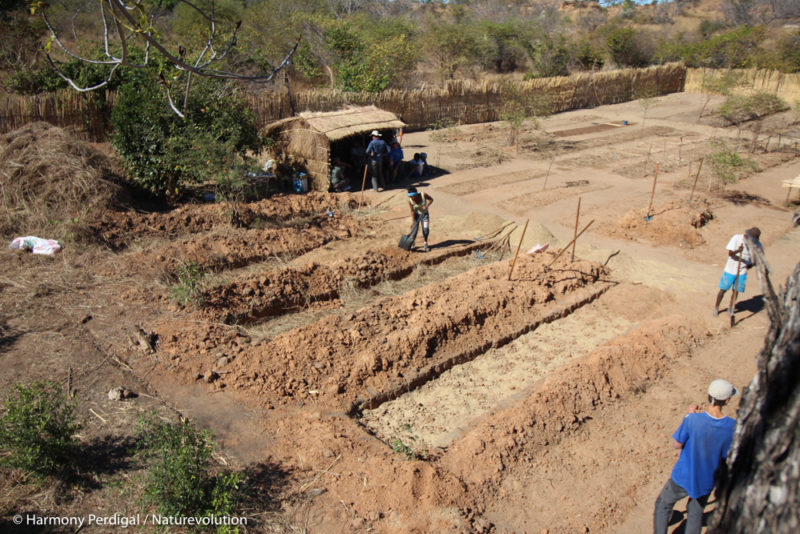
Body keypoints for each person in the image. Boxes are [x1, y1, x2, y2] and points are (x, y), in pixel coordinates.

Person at [653, 379, 738, 534]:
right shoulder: (732, 427)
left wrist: (689, 415)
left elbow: (677, 444)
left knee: (663, 504)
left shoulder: (692, 420)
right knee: (695, 513)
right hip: (706, 480)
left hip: (683, 477)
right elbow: (727, 455)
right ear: (727, 400)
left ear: (708, 396)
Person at [713, 227, 763, 317]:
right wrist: (738, 251)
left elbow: (759, 258)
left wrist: (750, 265)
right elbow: (730, 253)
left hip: (742, 271)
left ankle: (731, 308)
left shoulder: (757, 244)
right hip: (730, 269)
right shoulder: (737, 238)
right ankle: (716, 308)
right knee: (723, 289)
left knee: (735, 291)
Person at [407, 187, 433, 252]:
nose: (411, 198)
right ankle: (412, 244)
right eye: (410, 197)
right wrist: (413, 222)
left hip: (425, 215)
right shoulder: (410, 201)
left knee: (425, 229)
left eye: (412, 197)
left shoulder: (423, 195)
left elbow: (431, 199)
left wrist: (426, 206)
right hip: (416, 215)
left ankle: (425, 244)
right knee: (414, 230)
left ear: (416, 194)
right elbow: (412, 211)